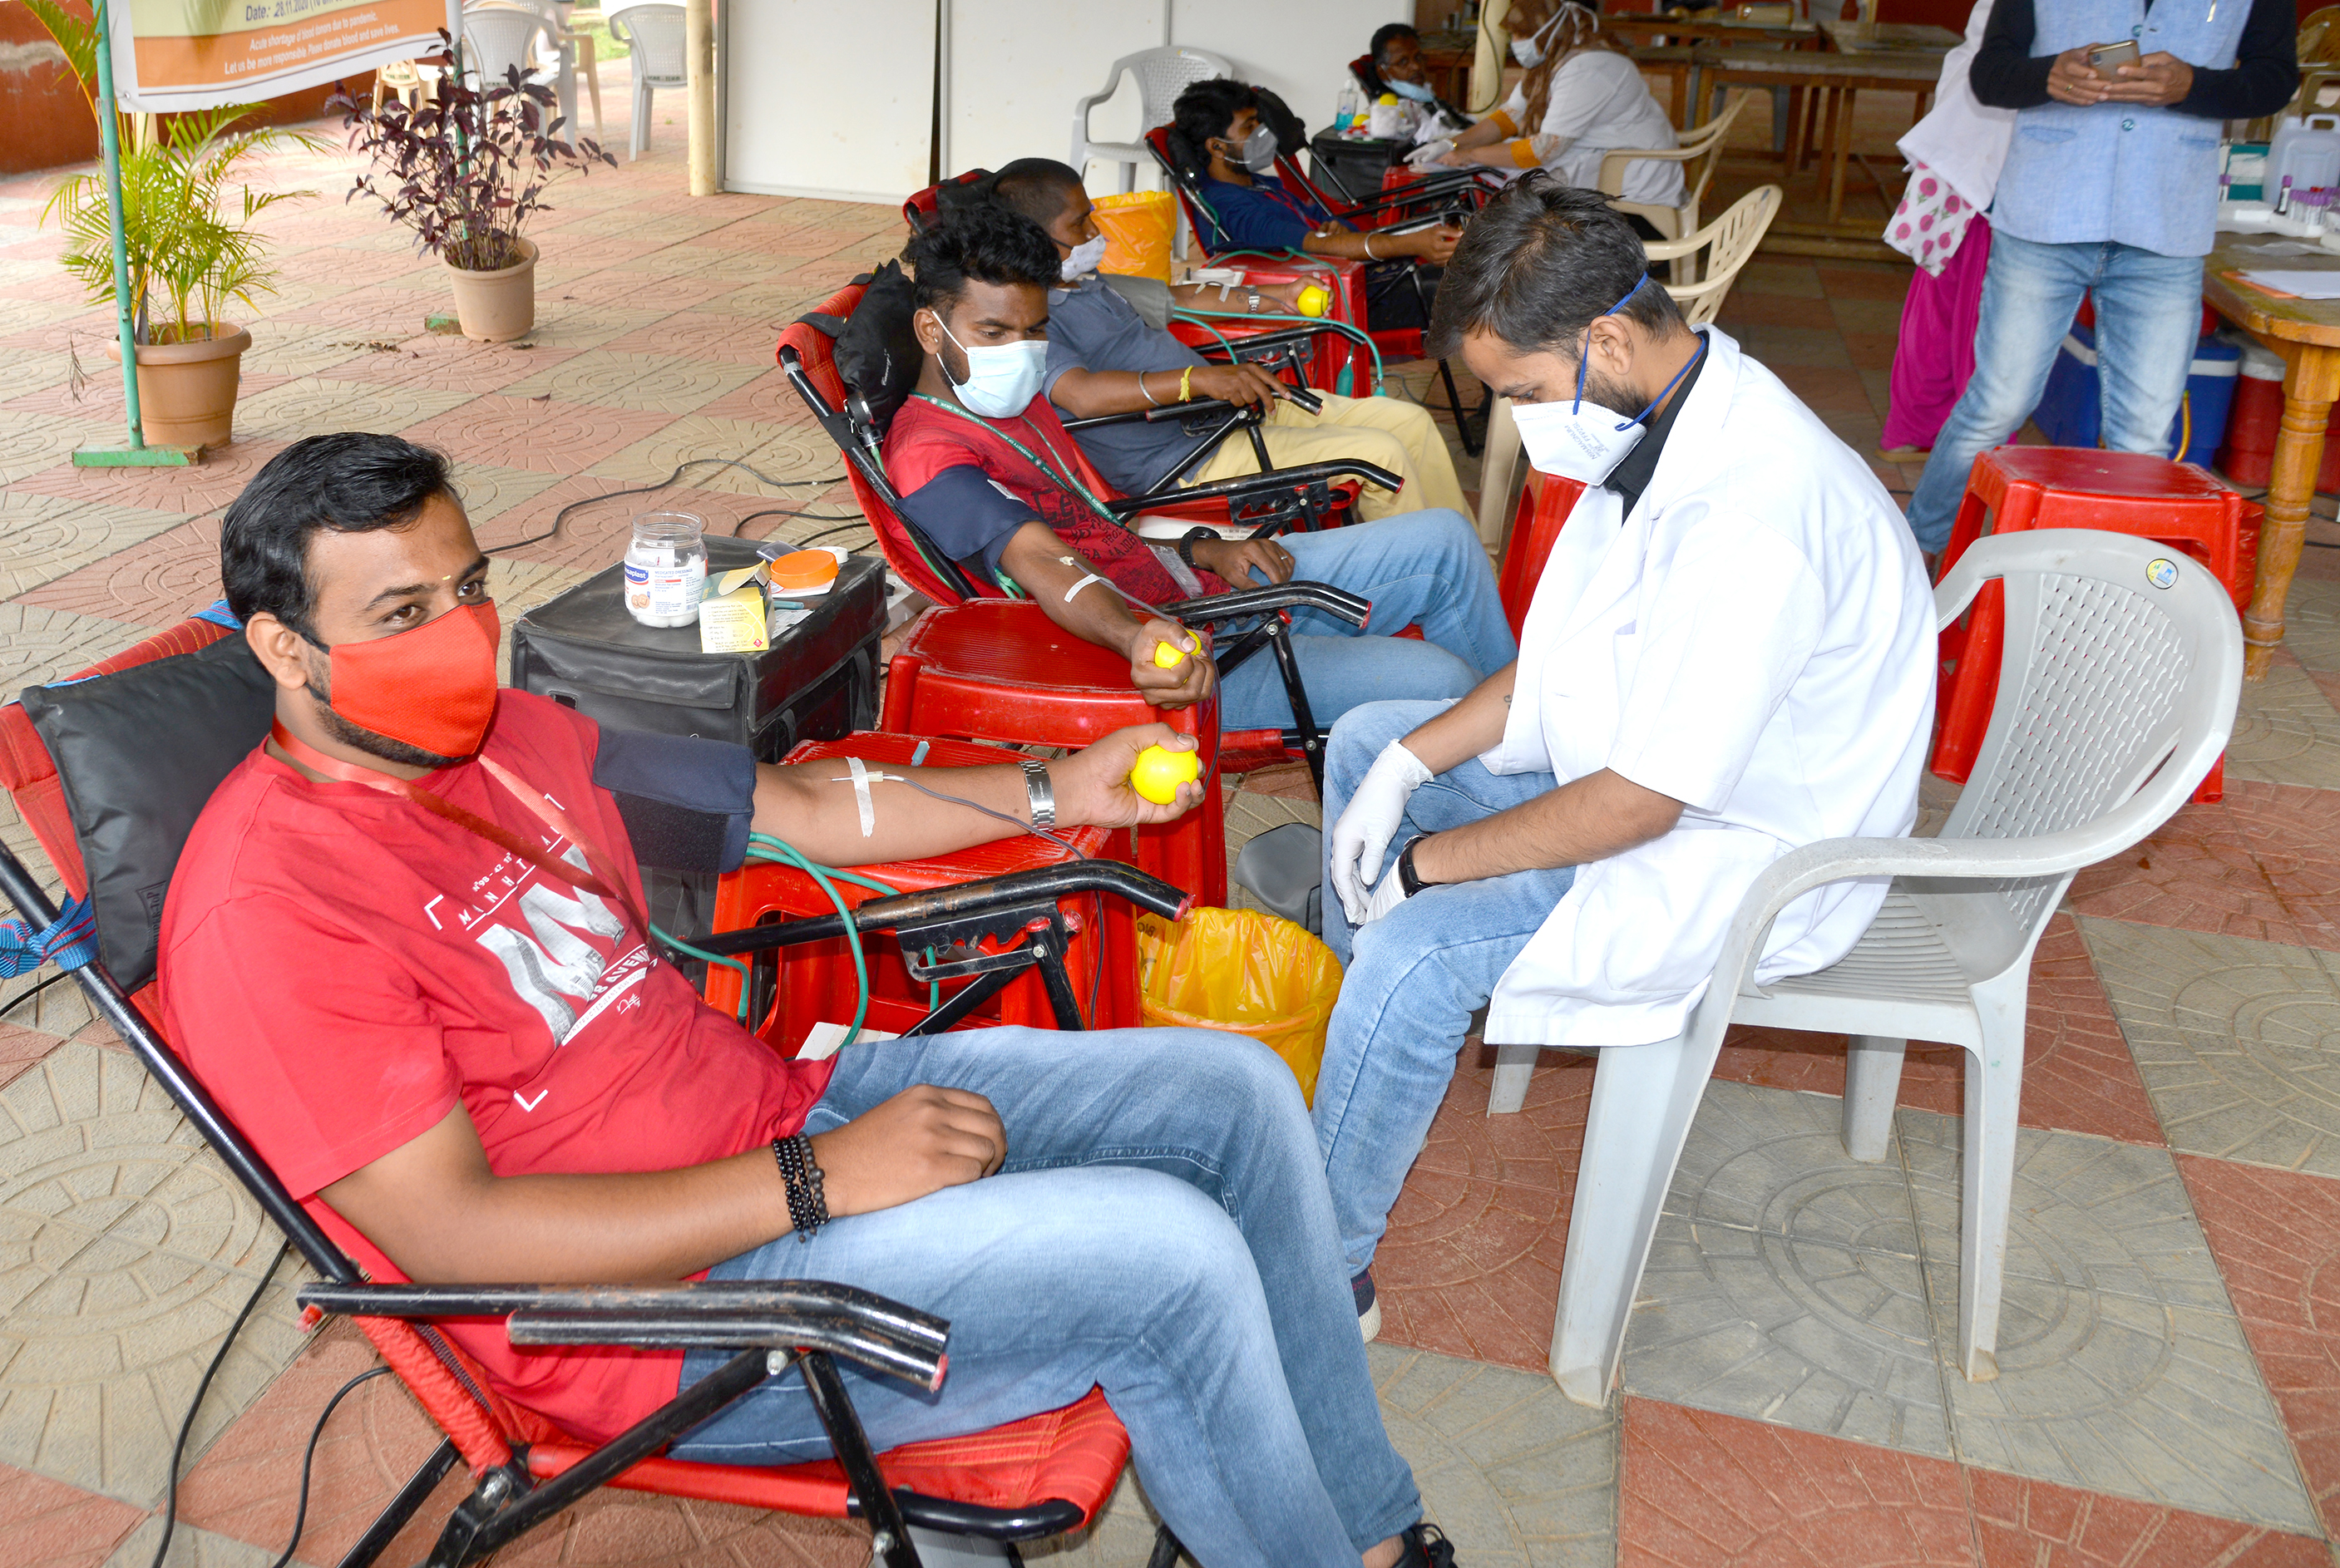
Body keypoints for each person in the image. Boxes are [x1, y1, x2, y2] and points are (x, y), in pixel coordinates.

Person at [156, 433, 1460, 1568]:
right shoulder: (268, 909)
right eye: (400, 613)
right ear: (283, 645)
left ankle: (1365, 1531)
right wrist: (813, 1184)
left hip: (780, 1111)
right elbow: (453, 1237)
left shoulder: (516, 735)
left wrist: (1068, 790)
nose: (460, 633)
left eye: (471, 587)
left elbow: (800, 807)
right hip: (671, 1318)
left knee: (1228, 1092)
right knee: (1170, 1262)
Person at [1296, 179, 1933, 1339]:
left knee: (1422, 947)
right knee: (1369, 743)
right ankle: (1364, 1063)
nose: (1523, 422)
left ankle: (1322, 1267)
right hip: (1664, 779)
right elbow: (1566, 663)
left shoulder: (1749, 513)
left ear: (1602, 339)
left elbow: (1644, 802)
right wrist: (1403, 774)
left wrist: (1430, 869)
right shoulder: (1666, 410)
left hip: (1749, 853)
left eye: (1527, 395)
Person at [881, 196, 1516, 736]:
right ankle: (1496, 785)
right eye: (995, 334)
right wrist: (1136, 640)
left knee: (1448, 542)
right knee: (1448, 683)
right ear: (932, 332)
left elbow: (1105, 529)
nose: (1022, 353)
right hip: (1165, 661)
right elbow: (1042, 561)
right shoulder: (928, 453)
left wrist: (1204, 549)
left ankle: (1523, 744)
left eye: (1036, 331)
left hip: (1192, 583)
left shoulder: (1007, 402)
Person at [1902, 0, 2299, 553]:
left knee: (2144, 429)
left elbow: (2273, 79)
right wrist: (2051, 74)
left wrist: (2192, 84)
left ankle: (2107, 579)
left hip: (2165, 222)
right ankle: (1919, 549)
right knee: (1996, 400)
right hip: (2047, 210)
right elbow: (1992, 70)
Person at [991, 157, 1466, 523]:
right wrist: (1198, 380)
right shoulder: (1028, 315)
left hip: (1225, 415)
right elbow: (1080, 394)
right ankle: (1427, 590)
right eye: (1079, 225)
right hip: (1188, 457)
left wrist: (1275, 296)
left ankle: (1469, 561)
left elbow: (1178, 295)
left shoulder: (1087, 281)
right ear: (1030, 236)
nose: (1095, 232)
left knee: (1411, 424)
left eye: (1091, 216)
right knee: (1379, 457)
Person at [1168, 78, 1456, 333]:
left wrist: (1338, 230)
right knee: (1469, 290)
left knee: (1470, 278)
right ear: (1216, 147)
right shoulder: (1231, 207)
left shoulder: (1261, 184)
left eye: (1258, 121)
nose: (1262, 132)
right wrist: (1413, 244)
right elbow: (1319, 244)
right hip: (1329, 307)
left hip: (1350, 280)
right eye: (1249, 126)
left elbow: (1331, 231)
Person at [1878, 0, 2012, 456]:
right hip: (1983, 174)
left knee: (1939, 309)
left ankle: (1913, 431)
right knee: (1978, 318)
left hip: (1959, 164)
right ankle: (1968, 444)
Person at [1432, 0, 1686, 234]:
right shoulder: (1549, 60)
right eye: (1514, 34)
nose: (1516, 43)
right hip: (1605, 162)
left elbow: (1544, 149)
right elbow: (1508, 117)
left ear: (1548, 31)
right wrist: (1452, 143)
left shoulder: (1588, 67)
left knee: (1522, 196)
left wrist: (1471, 155)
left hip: (1637, 193)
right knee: (1510, 174)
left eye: (1522, 34)